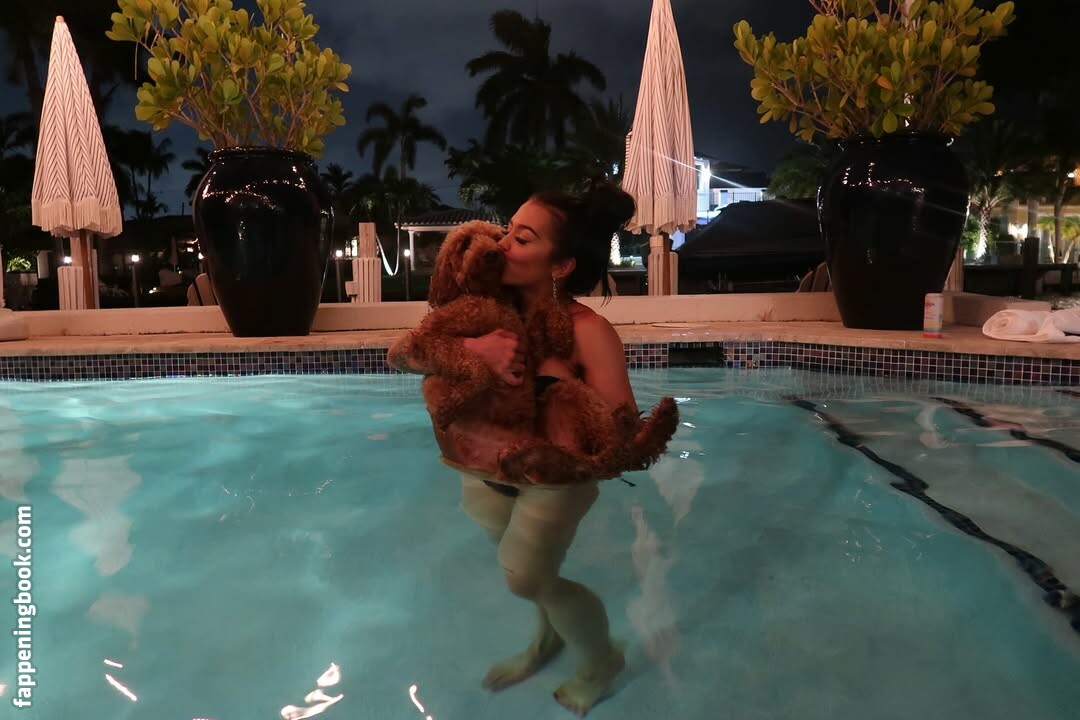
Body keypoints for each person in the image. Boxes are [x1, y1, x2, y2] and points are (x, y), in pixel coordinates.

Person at [389, 183, 638, 715]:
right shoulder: (478, 312)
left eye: (523, 239)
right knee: (533, 577)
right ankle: (548, 639)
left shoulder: (589, 331)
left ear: (560, 266)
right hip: (482, 468)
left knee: (525, 577)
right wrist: (469, 351)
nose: (501, 245)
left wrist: (556, 379)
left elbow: (624, 429)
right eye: (507, 231)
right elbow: (402, 356)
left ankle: (602, 659)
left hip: (554, 482)